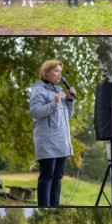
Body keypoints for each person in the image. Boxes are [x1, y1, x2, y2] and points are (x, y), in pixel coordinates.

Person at [29, 60, 75, 207]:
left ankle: (54, 206)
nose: (59, 74)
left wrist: (69, 100)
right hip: (48, 142)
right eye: (56, 71)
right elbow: (35, 112)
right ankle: (44, 206)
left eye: (60, 72)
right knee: (47, 176)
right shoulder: (39, 90)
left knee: (57, 177)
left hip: (61, 141)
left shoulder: (59, 91)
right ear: (46, 73)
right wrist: (53, 103)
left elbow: (67, 116)